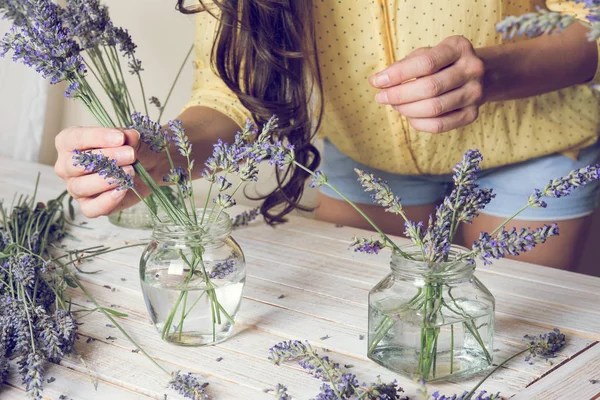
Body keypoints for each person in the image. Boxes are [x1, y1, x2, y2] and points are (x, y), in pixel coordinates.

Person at [53, 0, 600, 270]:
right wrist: (158, 155)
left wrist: (495, 72)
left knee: (514, 351)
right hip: (365, 164)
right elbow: (228, 94)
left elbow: (591, 24)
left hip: (538, 149)